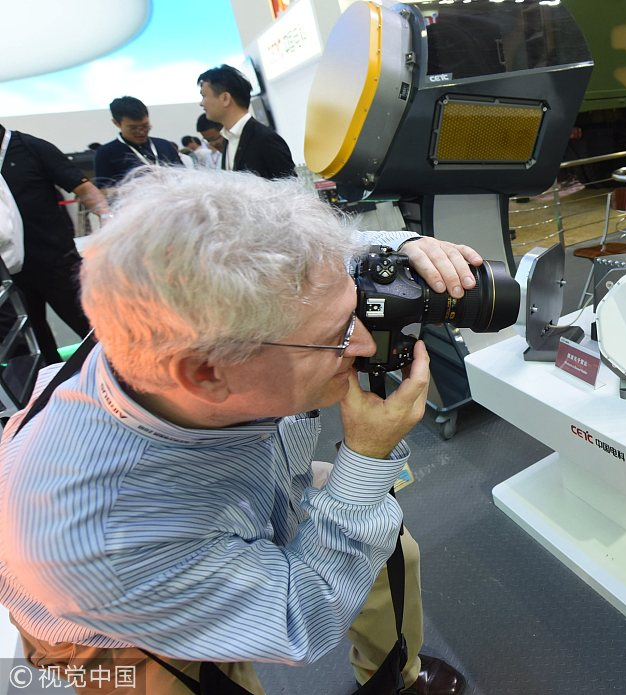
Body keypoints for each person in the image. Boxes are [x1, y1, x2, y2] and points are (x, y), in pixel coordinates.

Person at [0, 166, 475, 694]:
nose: (366, 345)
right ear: (207, 374)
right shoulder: (96, 538)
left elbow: (305, 270)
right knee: (212, 679)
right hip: (122, 626)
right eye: (339, 334)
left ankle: (396, 677)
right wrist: (365, 457)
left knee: (388, 547)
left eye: (357, 307)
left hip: (258, 488)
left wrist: (402, 252)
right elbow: (299, 618)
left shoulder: (184, 299)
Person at [0, 123, 109, 364]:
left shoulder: (30, 147)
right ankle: (49, 383)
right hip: (11, 271)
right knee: (32, 344)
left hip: (56, 260)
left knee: (93, 325)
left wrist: (108, 219)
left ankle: (119, 375)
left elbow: (83, 188)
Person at [198, 65, 296, 179]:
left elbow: (290, 186)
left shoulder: (265, 139)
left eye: (204, 96)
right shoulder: (228, 139)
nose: (201, 103)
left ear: (225, 98)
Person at [93, 96, 182, 187]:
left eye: (145, 126)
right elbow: (103, 190)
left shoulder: (165, 145)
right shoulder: (106, 153)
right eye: (133, 128)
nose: (141, 132)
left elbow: (183, 176)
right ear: (116, 123)